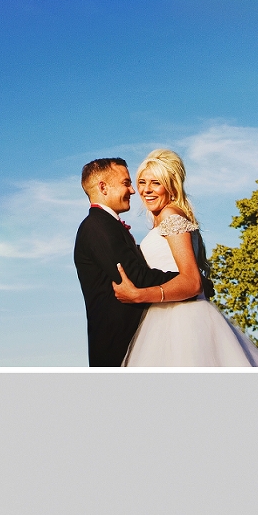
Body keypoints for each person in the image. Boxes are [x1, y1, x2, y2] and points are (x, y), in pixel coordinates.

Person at [116, 148, 258, 367]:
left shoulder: (170, 215)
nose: (146, 190)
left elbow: (193, 282)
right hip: (166, 315)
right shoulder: (167, 218)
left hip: (181, 321)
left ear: (172, 186)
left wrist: (138, 295)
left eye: (156, 183)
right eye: (142, 182)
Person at [73, 157, 184, 367]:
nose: (133, 191)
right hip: (117, 350)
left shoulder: (106, 225)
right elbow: (136, 277)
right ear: (103, 187)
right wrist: (188, 282)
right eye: (126, 183)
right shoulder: (96, 226)